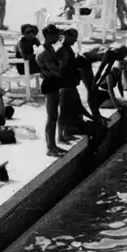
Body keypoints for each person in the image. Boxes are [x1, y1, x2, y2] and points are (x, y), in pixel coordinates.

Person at [36, 25, 75, 156]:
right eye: (55, 35)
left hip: (52, 82)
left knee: (54, 116)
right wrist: (64, 60)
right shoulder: (45, 52)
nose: (58, 37)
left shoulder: (49, 48)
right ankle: (50, 148)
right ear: (48, 36)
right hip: (50, 84)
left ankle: (54, 145)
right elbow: (58, 72)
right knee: (51, 117)